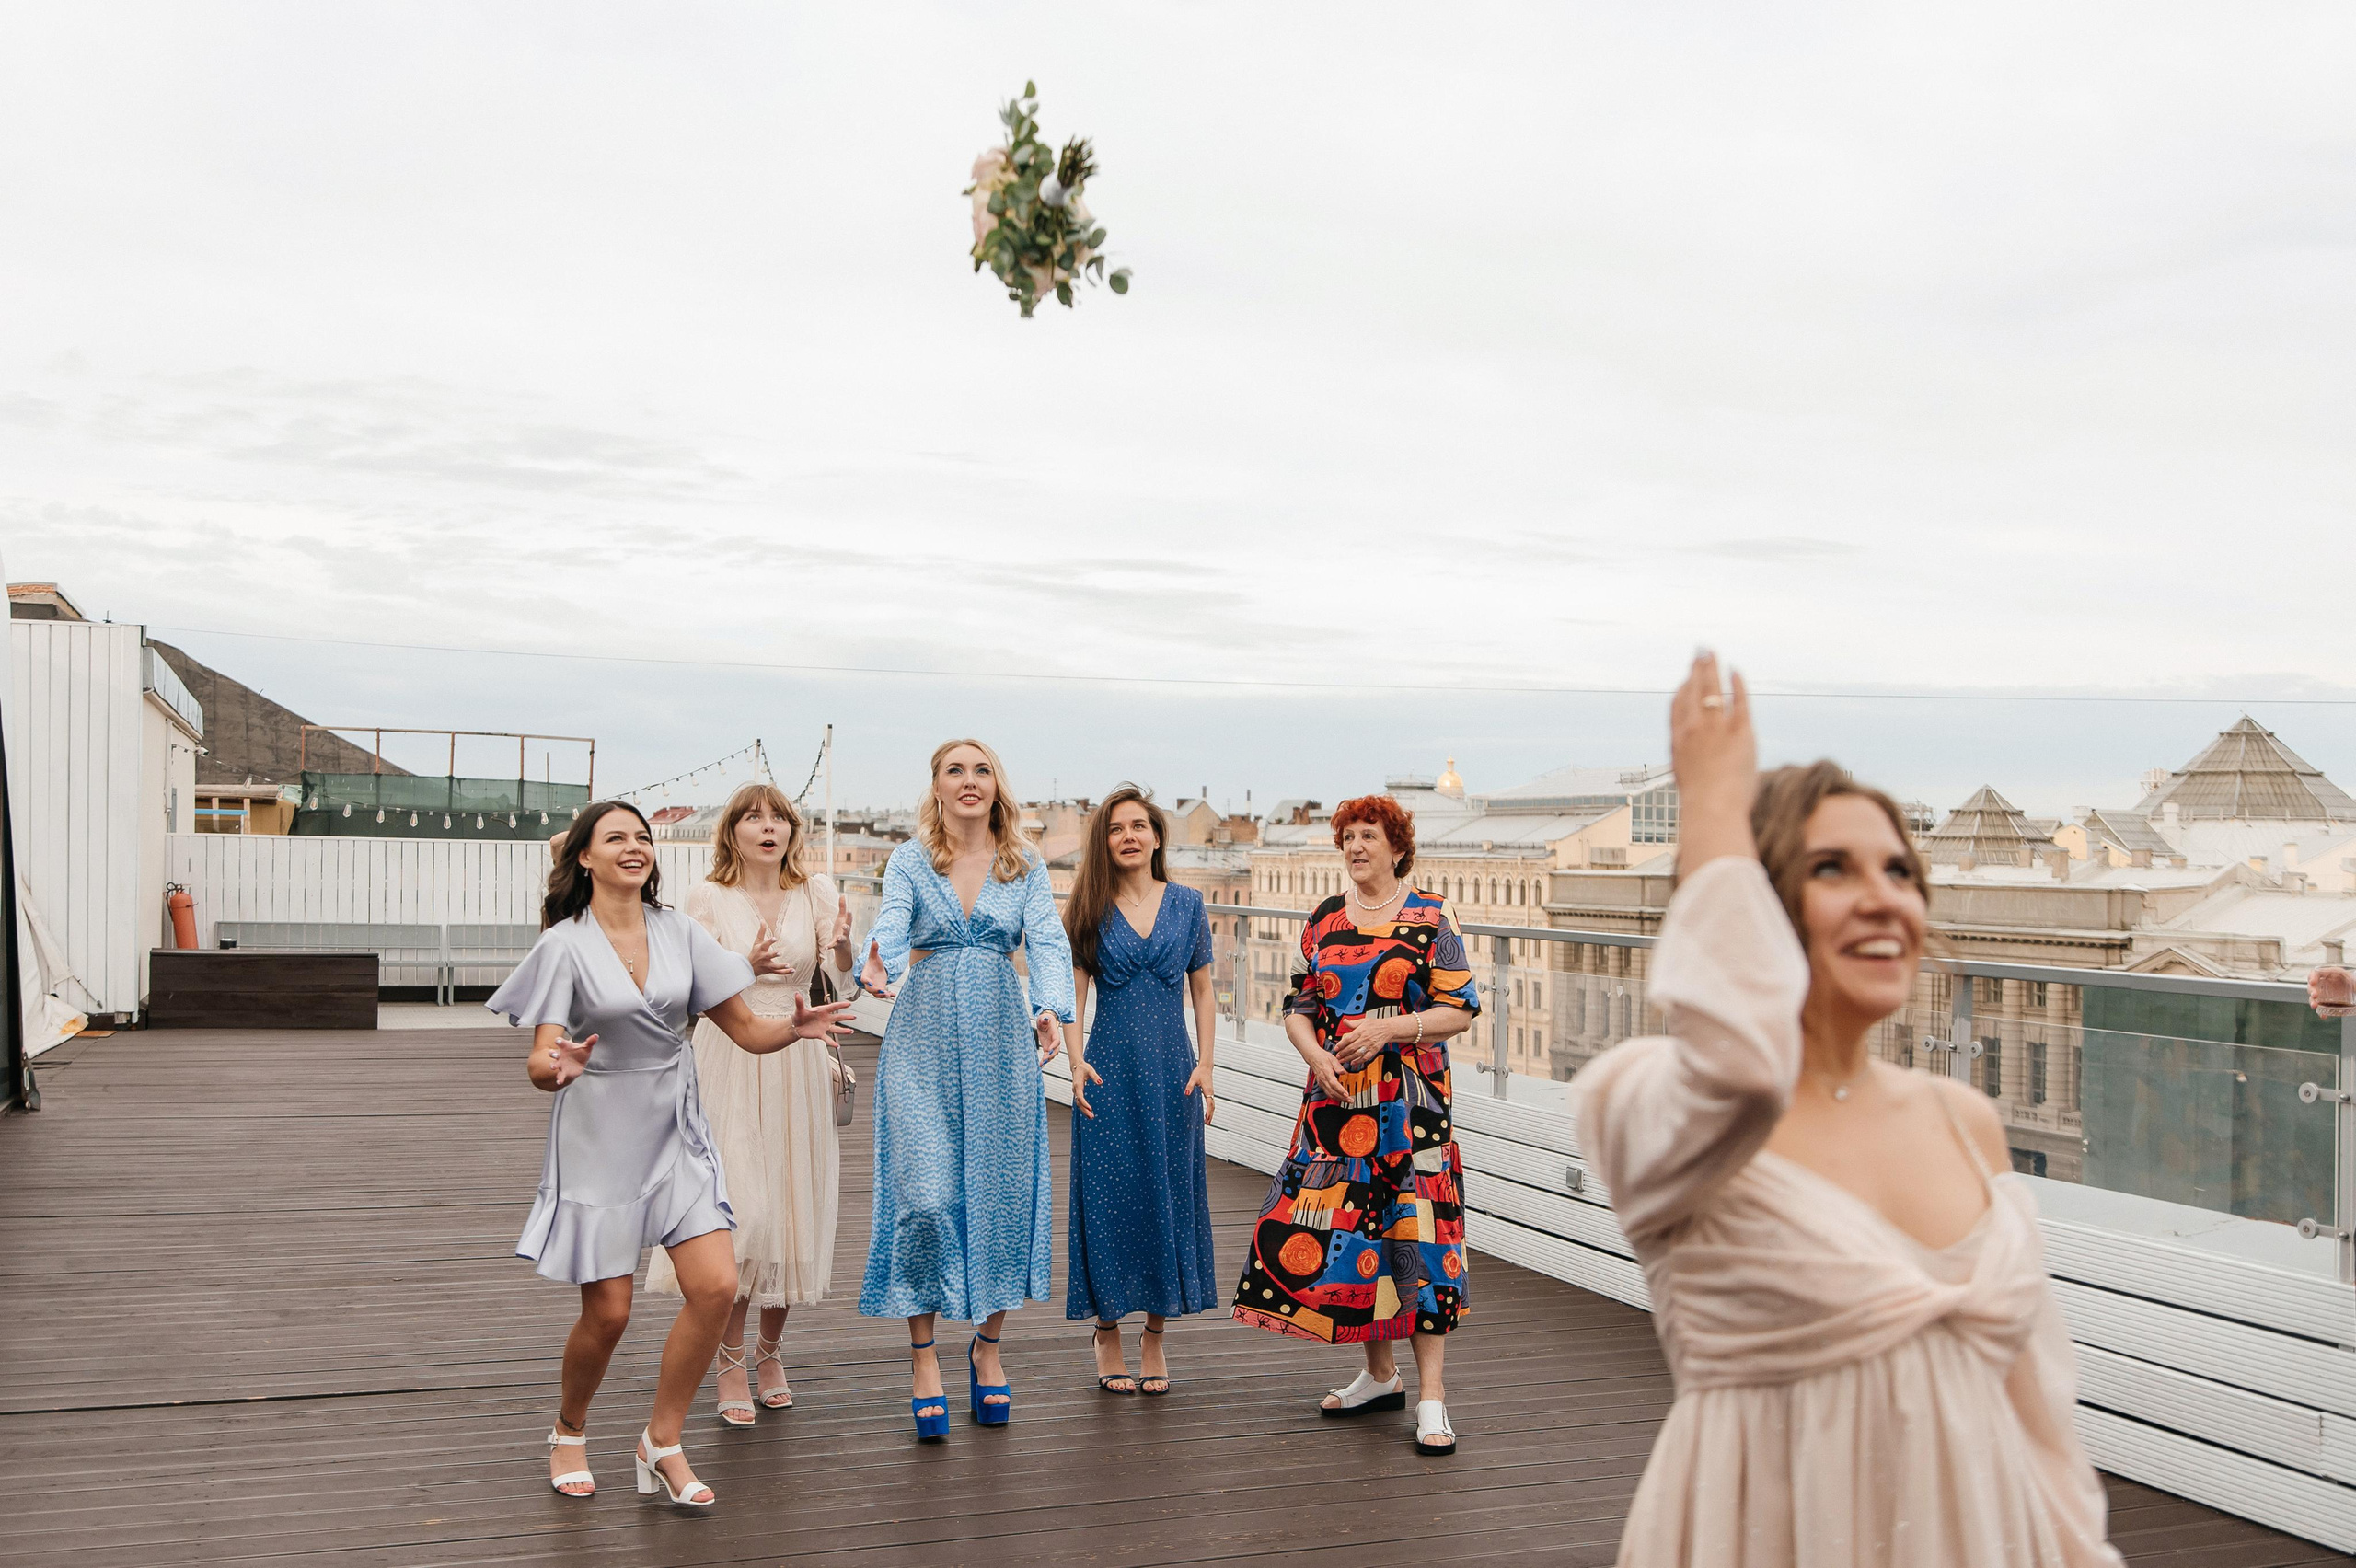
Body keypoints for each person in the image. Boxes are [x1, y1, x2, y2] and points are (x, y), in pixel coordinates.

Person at [1570, 652, 2122, 1567]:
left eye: (1900, 872)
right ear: (1757, 901)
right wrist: (1712, 799)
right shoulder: (1646, 1102)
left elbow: (2038, 1402)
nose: (1884, 900)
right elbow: (1743, 1064)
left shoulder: (1959, 1115)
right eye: (1832, 868)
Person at [490, 799, 852, 1508]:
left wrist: (796, 1027)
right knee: (610, 1313)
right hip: (598, 1133)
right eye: (615, 837)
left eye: (643, 837)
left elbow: (745, 1030)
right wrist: (556, 1067)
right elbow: (540, 1059)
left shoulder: (680, 931)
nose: (635, 846)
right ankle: (569, 1428)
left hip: (678, 1129)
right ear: (584, 858)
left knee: (715, 1286)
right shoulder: (564, 945)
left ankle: (662, 1441)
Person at [1230, 792, 1478, 1457]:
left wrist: (1387, 1029)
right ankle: (1380, 1376)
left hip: (1410, 1108)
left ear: (1398, 848)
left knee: (1419, 1240)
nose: (1357, 847)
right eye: (1348, 838)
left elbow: (1461, 1007)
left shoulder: (1432, 917)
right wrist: (1315, 1055)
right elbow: (1297, 1005)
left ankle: (1432, 1398)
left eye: (1370, 836)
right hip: (1337, 1104)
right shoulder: (1324, 921)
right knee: (1351, 1231)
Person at [856, 738, 1075, 1439]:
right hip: (921, 1037)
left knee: (1000, 1193)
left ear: (996, 786)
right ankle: (923, 1357)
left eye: (982, 769)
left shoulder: (1026, 864)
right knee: (922, 1195)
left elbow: (1047, 941)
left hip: (1001, 1040)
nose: (970, 780)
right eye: (957, 770)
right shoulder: (910, 860)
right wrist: (876, 959)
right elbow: (891, 924)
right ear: (938, 786)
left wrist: (1049, 1006)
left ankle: (987, 1348)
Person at [646, 782, 857, 1423]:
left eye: (779, 819)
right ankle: (729, 1358)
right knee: (743, 1213)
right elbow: (689, 989)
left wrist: (845, 941)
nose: (769, 828)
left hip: (795, 1052)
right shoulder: (705, 898)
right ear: (732, 831)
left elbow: (838, 972)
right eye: (754, 818)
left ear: (792, 832)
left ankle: (770, 1350)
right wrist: (744, 961)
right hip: (730, 1055)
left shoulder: (816, 892)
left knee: (790, 1205)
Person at [1059, 785, 1219, 1395]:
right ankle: (1108, 1331)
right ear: (1105, 842)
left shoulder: (1188, 904)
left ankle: (1155, 1334)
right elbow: (1072, 994)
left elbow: (1203, 991)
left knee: (1165, 1193)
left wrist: (1207, 1064)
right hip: (1107, 1067)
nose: (1129, 835)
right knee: (1106, 1195)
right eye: (1116, 828)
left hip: (1174, 1069)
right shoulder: (1089, 906)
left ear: (1156, 836)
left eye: (1139, 826)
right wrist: (1074, 1061)